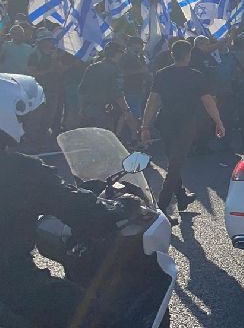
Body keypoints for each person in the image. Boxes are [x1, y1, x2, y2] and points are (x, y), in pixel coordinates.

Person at [0, 147, 124, 327]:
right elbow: (72, 205)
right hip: (11, 280)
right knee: (92, 314)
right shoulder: (19, 168)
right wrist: (115, 211)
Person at [140, 40, 225, 220]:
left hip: (165, 122)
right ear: (188, 55)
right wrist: (218, 121)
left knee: (174, 160)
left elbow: (152, 102)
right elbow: (208, 102)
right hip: (186, 124)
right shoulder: (195, 75)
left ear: (172, 54)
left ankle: (181, 196)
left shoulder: (162, 74)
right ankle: (161, 208)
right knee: (175, 164)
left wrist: (145, 126)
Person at [77, 42, 135, 132]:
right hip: (105, 110)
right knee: (105, 137)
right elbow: (117, 93)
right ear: (116, 54)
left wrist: (81, 108)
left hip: (88, 109)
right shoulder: (115, 70)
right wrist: (126, 110)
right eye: (121, 53)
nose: (122, 55)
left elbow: (82, 90)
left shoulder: (92, 67)